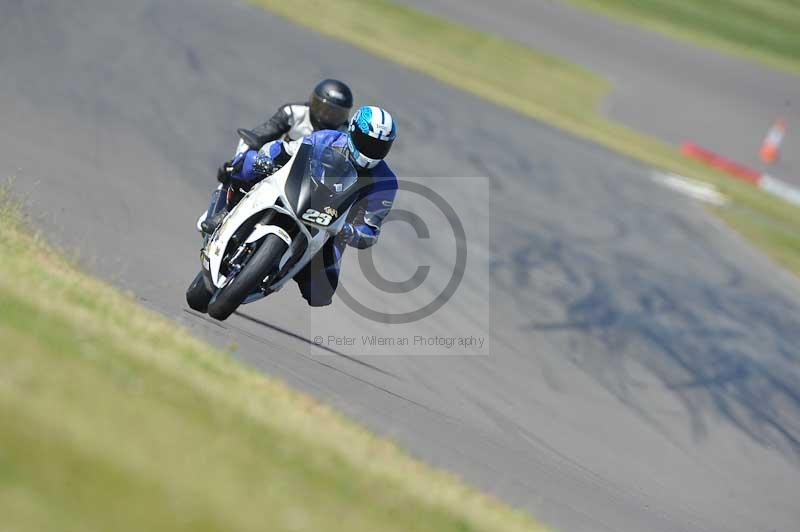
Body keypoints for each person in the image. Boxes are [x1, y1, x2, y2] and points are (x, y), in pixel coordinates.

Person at [211, 105, 398, 307]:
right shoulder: (326, 139)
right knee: (249, 162)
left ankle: (280, 270)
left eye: (379, 146)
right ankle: (226, 210)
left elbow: (370, 228)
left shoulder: (386, 182)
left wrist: (351, 232)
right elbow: (285, 150)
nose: (370, 151)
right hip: (296, 191)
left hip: (331, 225)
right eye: (367, 142)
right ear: (352, 130)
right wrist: (267, 159)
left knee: (321, 293)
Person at [223, 78, 353, 174]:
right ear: (314, 102)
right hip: (274, 167)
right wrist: (239, 159)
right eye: (325, 110)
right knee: (241, 171)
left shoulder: (346, 133)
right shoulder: (294, 112)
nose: (328, 117)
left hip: (315, 182)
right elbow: (262, 133)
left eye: (336, 114)